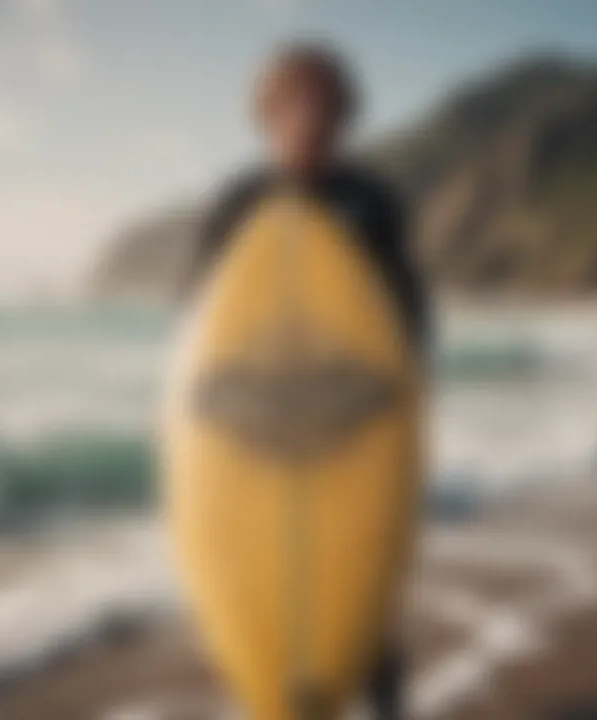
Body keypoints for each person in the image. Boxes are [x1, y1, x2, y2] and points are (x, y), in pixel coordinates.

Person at [189, 41, 426, 720]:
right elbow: (203, 316)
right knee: (255, 590)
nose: (307, 114)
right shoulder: (238, 202)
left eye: (322, 100)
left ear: (345, 113)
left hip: (357, 416)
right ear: (267, 113)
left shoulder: (372, 201)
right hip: (257, 424)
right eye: (292, 100)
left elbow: (405, 310)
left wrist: (407, 401)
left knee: (364, 592)